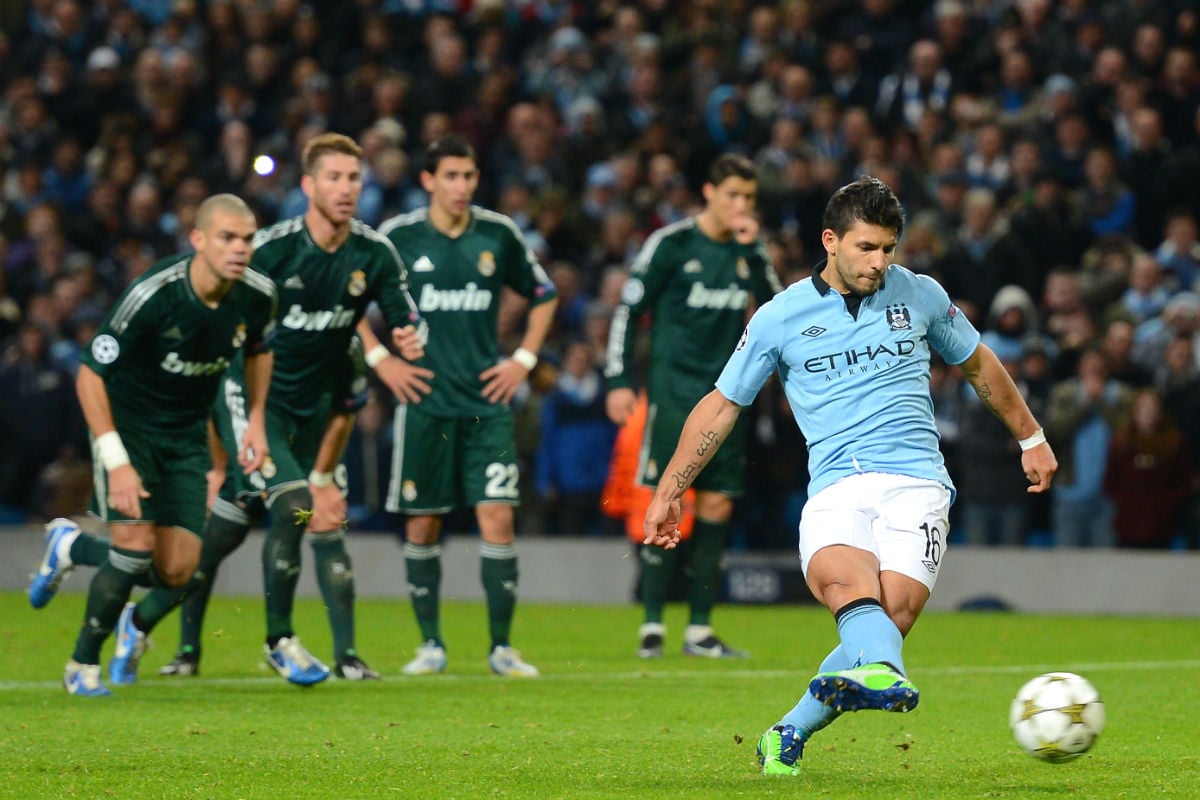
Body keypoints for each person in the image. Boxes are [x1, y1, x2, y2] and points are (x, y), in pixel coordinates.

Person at [640, 176, 1057, 776]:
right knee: (844, 584)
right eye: (867, 248)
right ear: (830, 241)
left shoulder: (921, 295)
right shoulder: (779, 317)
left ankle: (789, 730)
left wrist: (1032, 437)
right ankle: (885, 676)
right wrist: (670, 489)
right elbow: (722, 404)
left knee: (893, 617)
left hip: (918, 482)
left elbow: (977, 363)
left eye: (889, 248)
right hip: (837, 483)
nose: (879, 262)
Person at [32, 135, 429, 686]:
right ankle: (278, 639)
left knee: (185, 561)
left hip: (288, 418)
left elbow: (395, 315)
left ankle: (97, 573)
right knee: (295, 504)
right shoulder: (262, 255)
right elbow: (209, 357)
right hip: (218, 410)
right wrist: (231, 440)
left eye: (354, 178)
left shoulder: (369, 255)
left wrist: (409, 337)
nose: (346, 189)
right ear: (308, 187)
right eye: (333, 177)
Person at [29, 193, 278, 696]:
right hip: (130, 429)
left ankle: (71, 545)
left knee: (178, 570)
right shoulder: (154, 293)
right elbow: (90, 374)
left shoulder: (257, 295)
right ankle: (82, 664)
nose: (240, 248)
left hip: (185, 436)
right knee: (133, 547)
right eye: (228, 238)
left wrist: (255, 420)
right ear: (199, 240)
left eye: (248, 238)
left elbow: (259, 351)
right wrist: (116, 460)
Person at [377, 134, 557, 677]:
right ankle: (430, 644)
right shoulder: (398, 237)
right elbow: (357, 299)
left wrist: (522, 358)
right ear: (427, 180)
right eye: (450, 175)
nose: (461, 186)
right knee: (423, 523)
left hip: (485, 405)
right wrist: (382, 360)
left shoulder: (497, 234)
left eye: (469, 175)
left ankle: (501, 647)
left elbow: (544, 294)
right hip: (425, 403)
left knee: (498, 518)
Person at [604, 153, 782, 659]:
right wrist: (618, 379)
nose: (740, 205)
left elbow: (779, 314)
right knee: (667, 496)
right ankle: (653, 622)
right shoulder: (672, 245)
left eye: (748, 197)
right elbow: (628, 309)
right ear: (708, 192)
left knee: (719, 503)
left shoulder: (748, 255)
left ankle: (700, 629)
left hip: (726, 398)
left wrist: (757, 255)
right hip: (673, 397)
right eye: (732, 195)